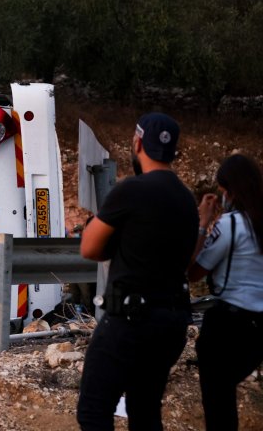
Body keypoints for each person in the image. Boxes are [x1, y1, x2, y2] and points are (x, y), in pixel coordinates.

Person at [77, 112, 198, 431]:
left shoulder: (130, 190)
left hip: (130, 321)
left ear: (137, 143)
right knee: (145, 411)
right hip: (171, 323)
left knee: (93, 409)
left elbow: (89, 248)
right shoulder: (186, 200)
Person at [187, 154, 263, 431]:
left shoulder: (230, 225)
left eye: (222, 188)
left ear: (231, 189)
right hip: (258, 328)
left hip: (229, 326)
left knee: (219, 408)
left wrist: (203, 223)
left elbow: (193, 271)